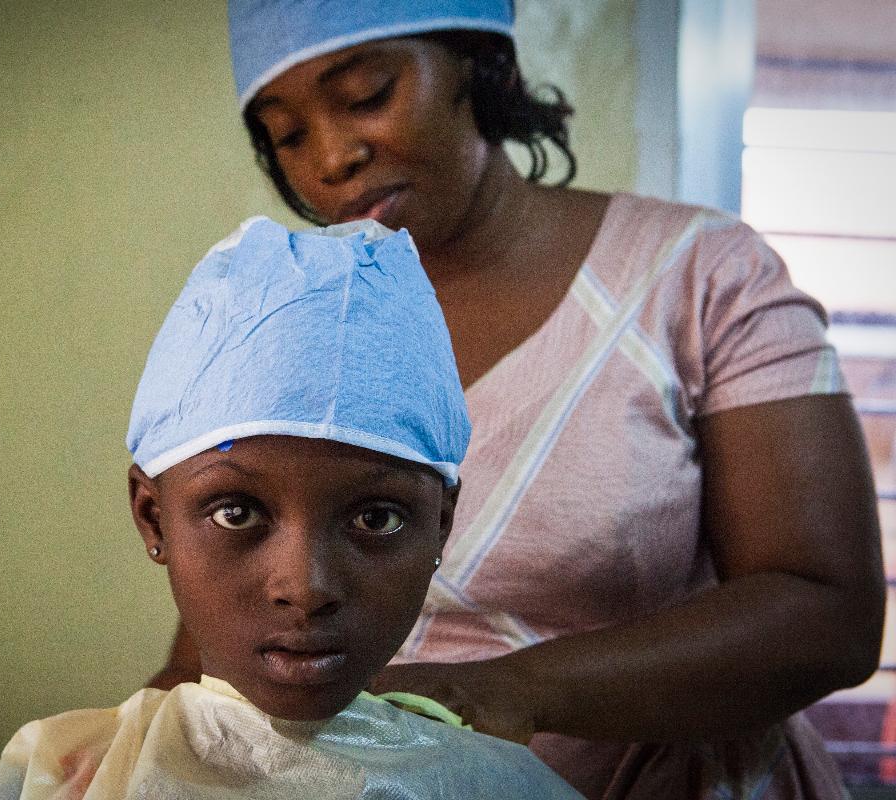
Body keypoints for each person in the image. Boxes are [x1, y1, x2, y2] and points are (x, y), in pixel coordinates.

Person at [146, 2, 887, 797]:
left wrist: (511, 691)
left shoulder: (699, 277)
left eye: (366, 95)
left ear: (478, 67)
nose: (333, 156)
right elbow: (220, 626)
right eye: (288, 135)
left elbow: (827, 613)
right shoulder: (293, 323)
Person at [0, 218, 584, 799]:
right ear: (153, 518)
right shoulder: (62, 778)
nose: (305, 588)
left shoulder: (501, 786)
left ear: (441, 523)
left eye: (375, 518)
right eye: (236, 513)